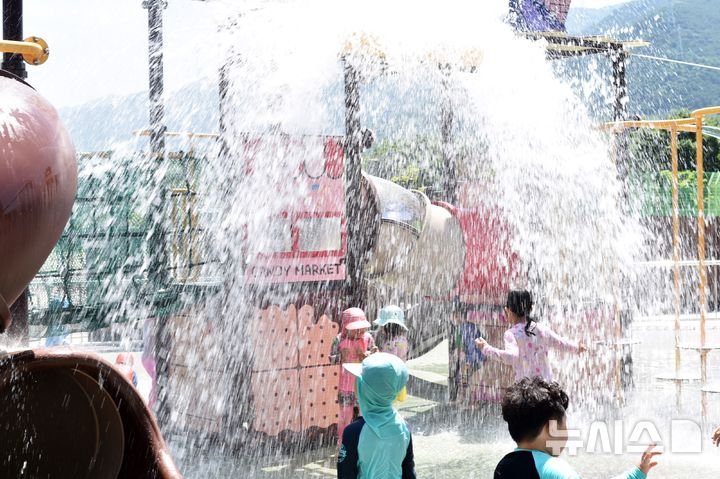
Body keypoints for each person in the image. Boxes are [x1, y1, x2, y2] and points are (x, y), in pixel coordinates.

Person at [495, 377, 660, 479]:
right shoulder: (554, 469)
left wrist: (637, 472)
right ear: (550, 428)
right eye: (564, 425)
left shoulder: (503, 467)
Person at [475, 290, 586, 381]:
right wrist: (576, 348)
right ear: (530, 308)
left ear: (508, 311)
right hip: (546, 387)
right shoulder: (541, 329)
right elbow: (560, 343)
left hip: (526, 391)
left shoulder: (511, 334)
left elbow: (510, 357)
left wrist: (486, 348)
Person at [338, 352, 416, 479]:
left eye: (358, 381)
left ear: (365, 390)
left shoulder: (353, 432)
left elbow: (345, 475)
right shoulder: (404, 427)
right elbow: (409, 472)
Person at [330, 307, 377, 447]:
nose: (360, 332)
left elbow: (375, 355)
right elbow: (330, 358)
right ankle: (343, 443)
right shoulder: (339, 339)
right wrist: (341, 357)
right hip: (346, 386)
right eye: (356, 329)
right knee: (345, 416)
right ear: (346, 327)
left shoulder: (368, 338)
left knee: (366, 414)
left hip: (363, 384)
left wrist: (370, 354)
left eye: (362, 329)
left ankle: (367, 442)